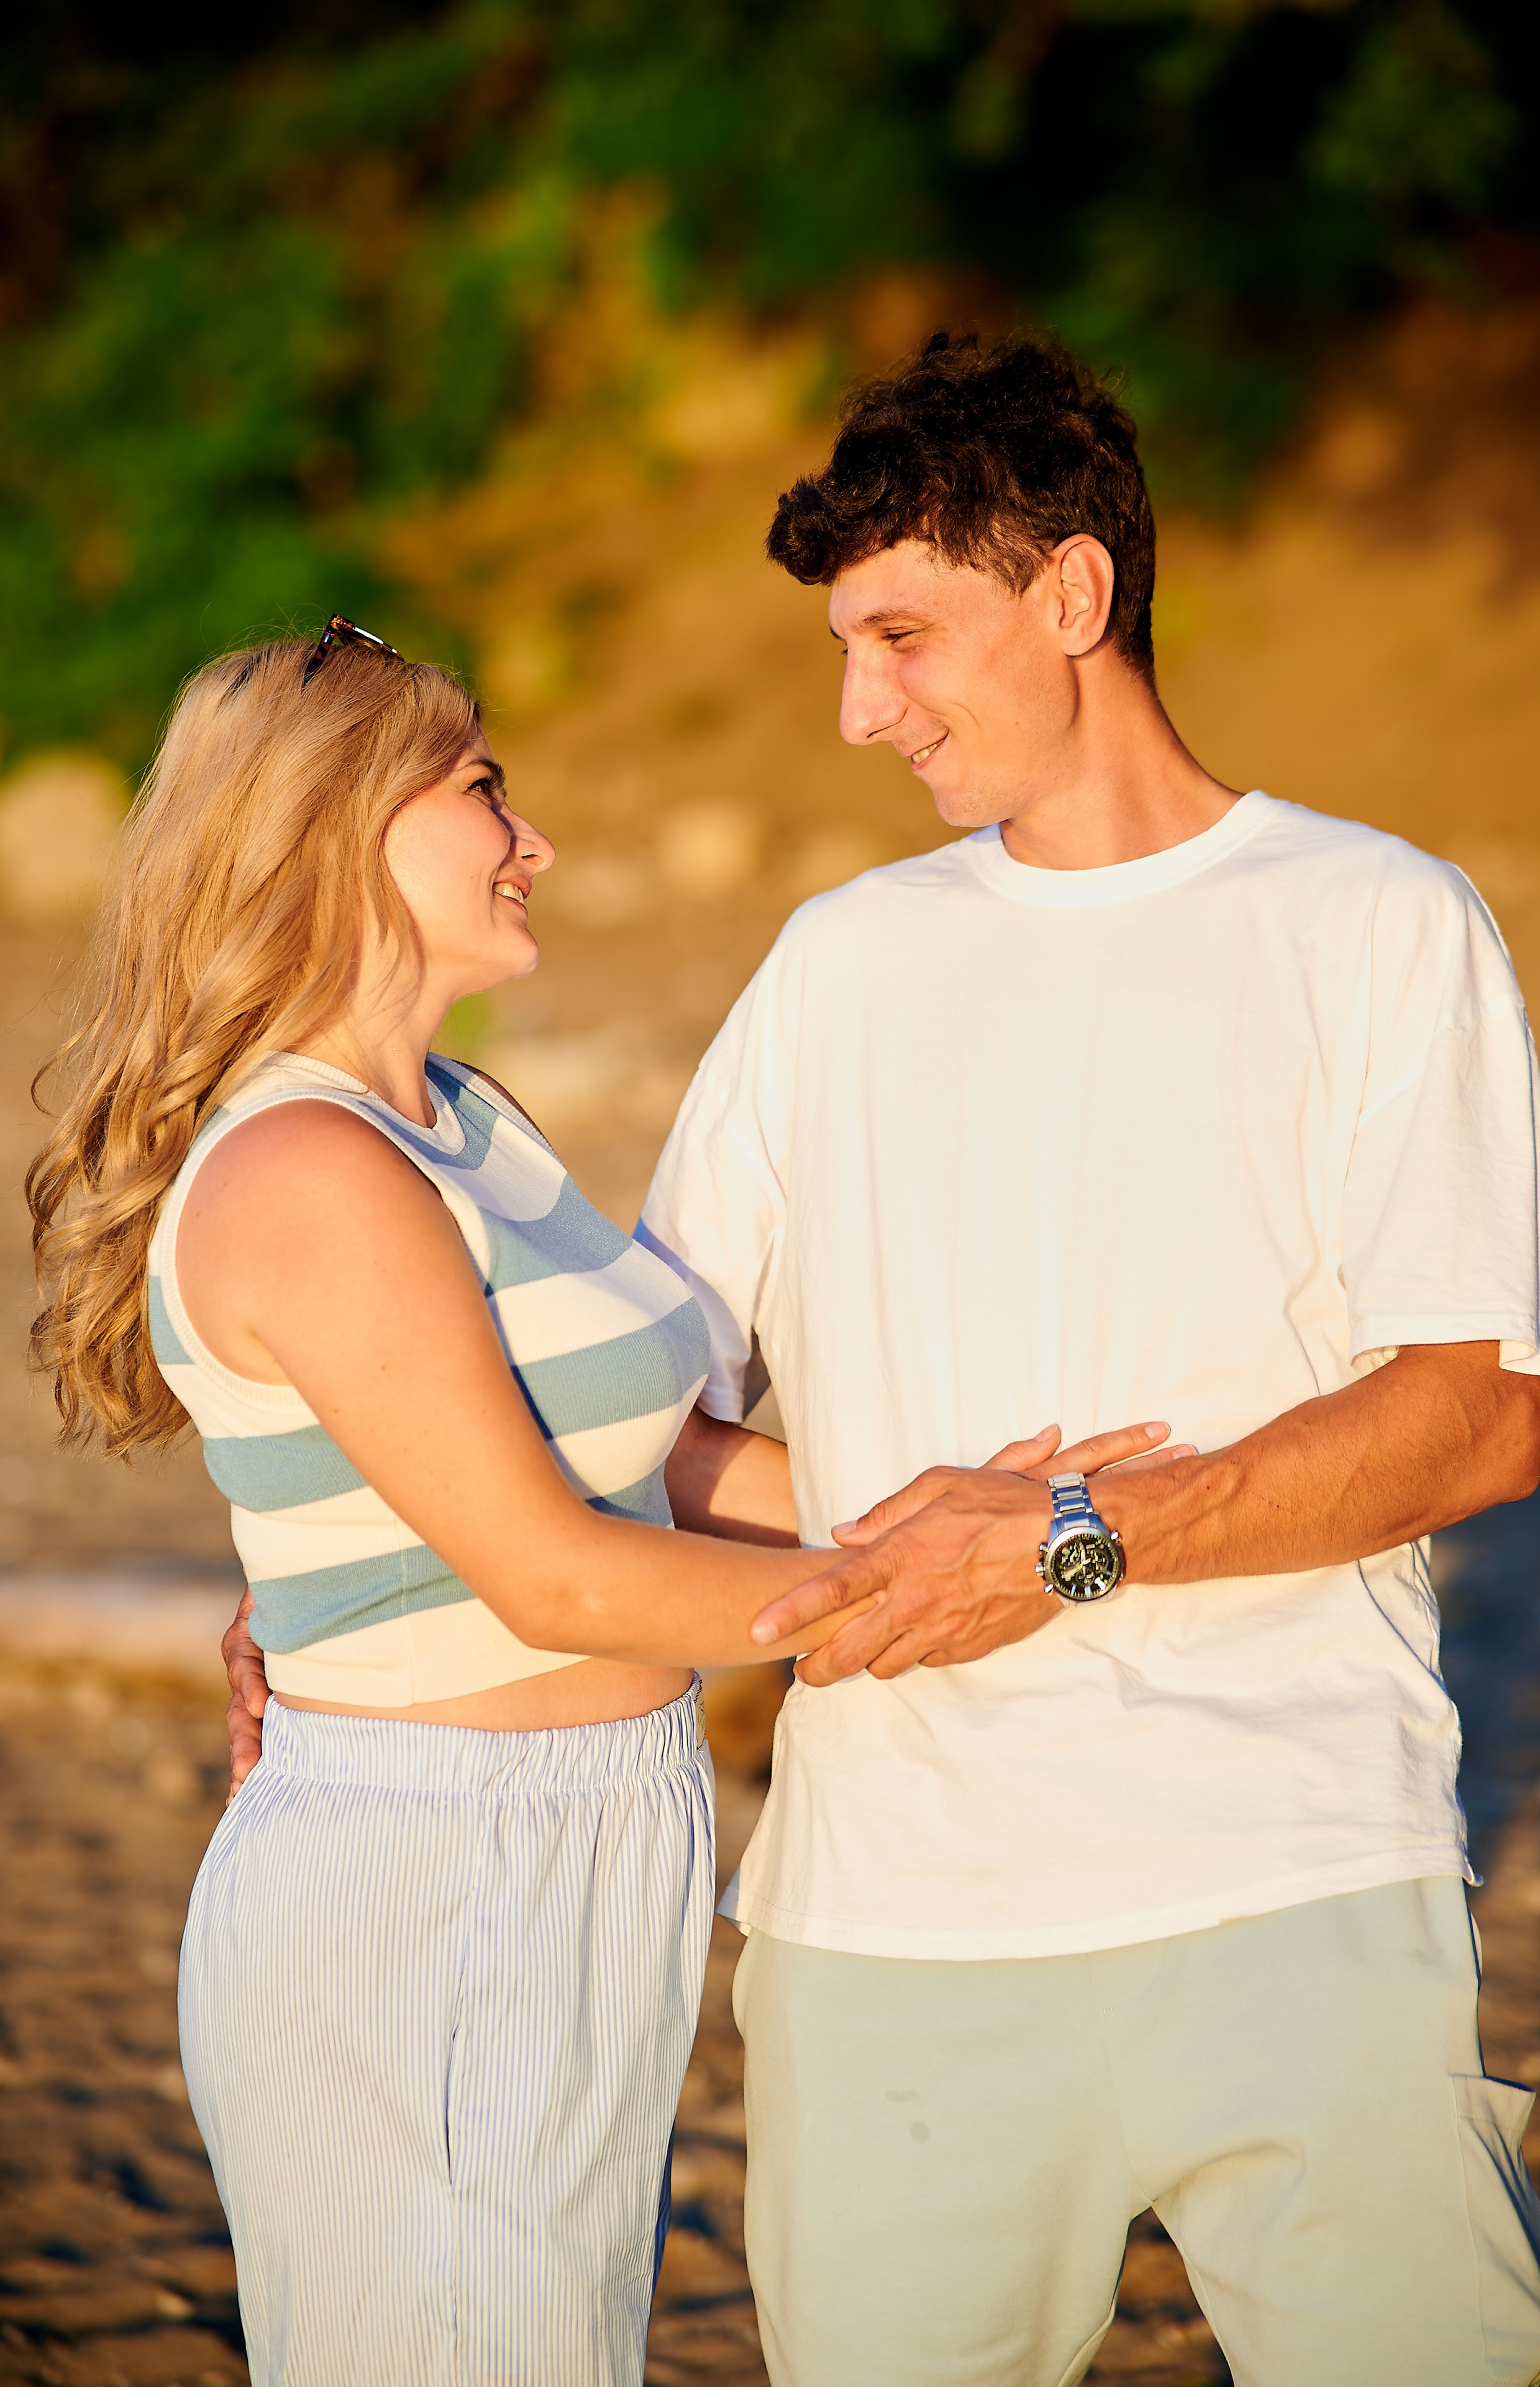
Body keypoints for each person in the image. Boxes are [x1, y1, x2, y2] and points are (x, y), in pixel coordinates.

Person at [27, 616, 1160, 2387]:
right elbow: (554, 1575)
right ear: (337, 832)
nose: (531, 835)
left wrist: (981, 1504)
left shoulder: (466, 1122)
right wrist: (921, 1580)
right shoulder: (307, 1169)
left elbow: (649, 1462)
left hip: (592, 1838)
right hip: (429, 1863)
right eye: (481, 787)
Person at [632, 334, 1540, 2386]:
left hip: (1296, 1873)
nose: (862, 709)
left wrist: (1057, 1540)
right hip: (892, 1920)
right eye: (842, 646)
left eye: (901, 633)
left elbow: (1478, 1413)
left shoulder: (1378, 925)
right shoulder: (837, 967)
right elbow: (645, 1416)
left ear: (1073, 594)